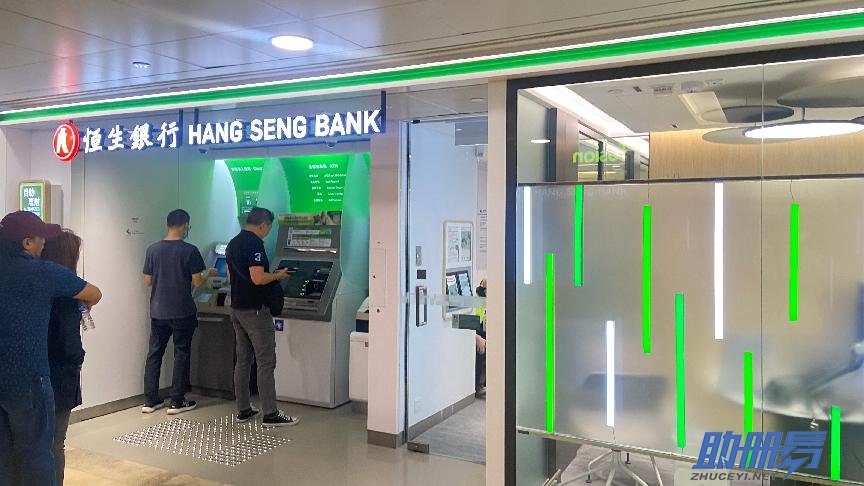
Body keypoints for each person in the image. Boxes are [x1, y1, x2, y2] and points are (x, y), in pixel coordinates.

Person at [0, 211, 101, 486]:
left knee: (4, 454)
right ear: (27, 242)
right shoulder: (44, 273)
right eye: (39, 237)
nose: (43, 242)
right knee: (38, 453)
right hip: (29, 380)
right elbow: (95, 293)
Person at [226, 207, 299, 427]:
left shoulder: (233, 243)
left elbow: (230, 277)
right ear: (262, 224)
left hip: (237, 307)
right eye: (269, 227)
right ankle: (270, 413)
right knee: (266, 361)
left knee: (243, 360)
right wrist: (278, 276)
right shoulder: (254, 244)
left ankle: (244, 410)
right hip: (255, 310)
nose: (268, 232)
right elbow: (257, 278)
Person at [141, 209, 211, 415]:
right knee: (181, 353)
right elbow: (197, 281)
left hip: (158, 311)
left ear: (168, 225)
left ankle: (150, 400)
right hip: (182, 310)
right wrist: (209, 273)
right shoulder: (190, 250)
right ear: (185, 225)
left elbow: (147, 281)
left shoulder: (152, 249)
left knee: (155, 354)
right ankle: (177, 401)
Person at [42, 230, 87, 485]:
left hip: (34, 374)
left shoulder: (35, 290)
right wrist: (79, 358)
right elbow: (70, 344)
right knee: (56, 442)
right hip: (60, 376)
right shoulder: (68, 296)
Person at [474, 278, 487, 399]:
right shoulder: (477, 301)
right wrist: (478, 338)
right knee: (480, 350)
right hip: (476, 334)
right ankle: (478, 386)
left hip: (484, 331)